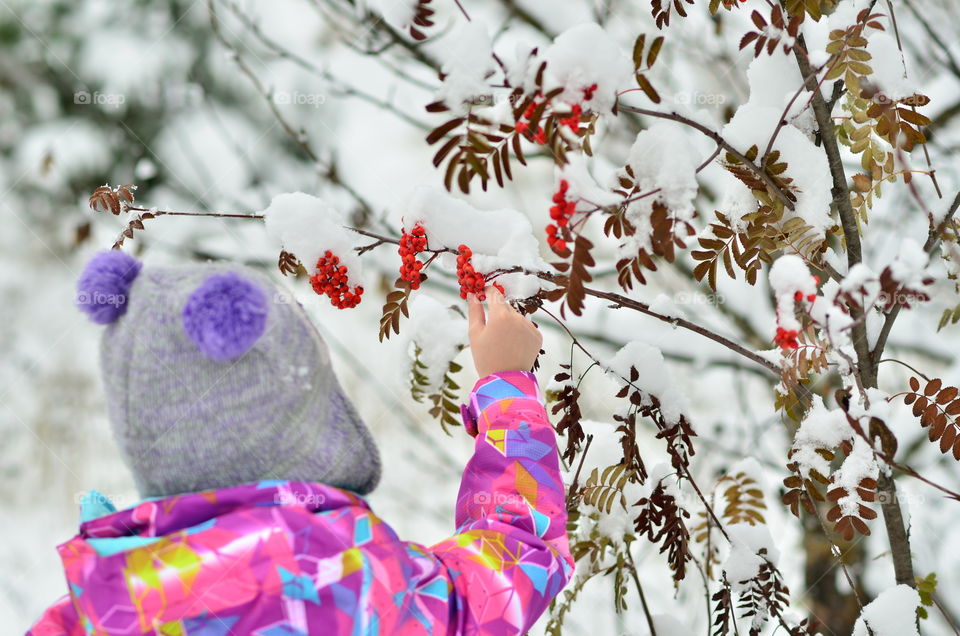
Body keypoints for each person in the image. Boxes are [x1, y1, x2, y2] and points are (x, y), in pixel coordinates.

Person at [28, 250, 573, 635]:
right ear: (313, 424)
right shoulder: (356, 583)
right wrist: (506, 389)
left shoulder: (93, 612)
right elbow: (516, 560)